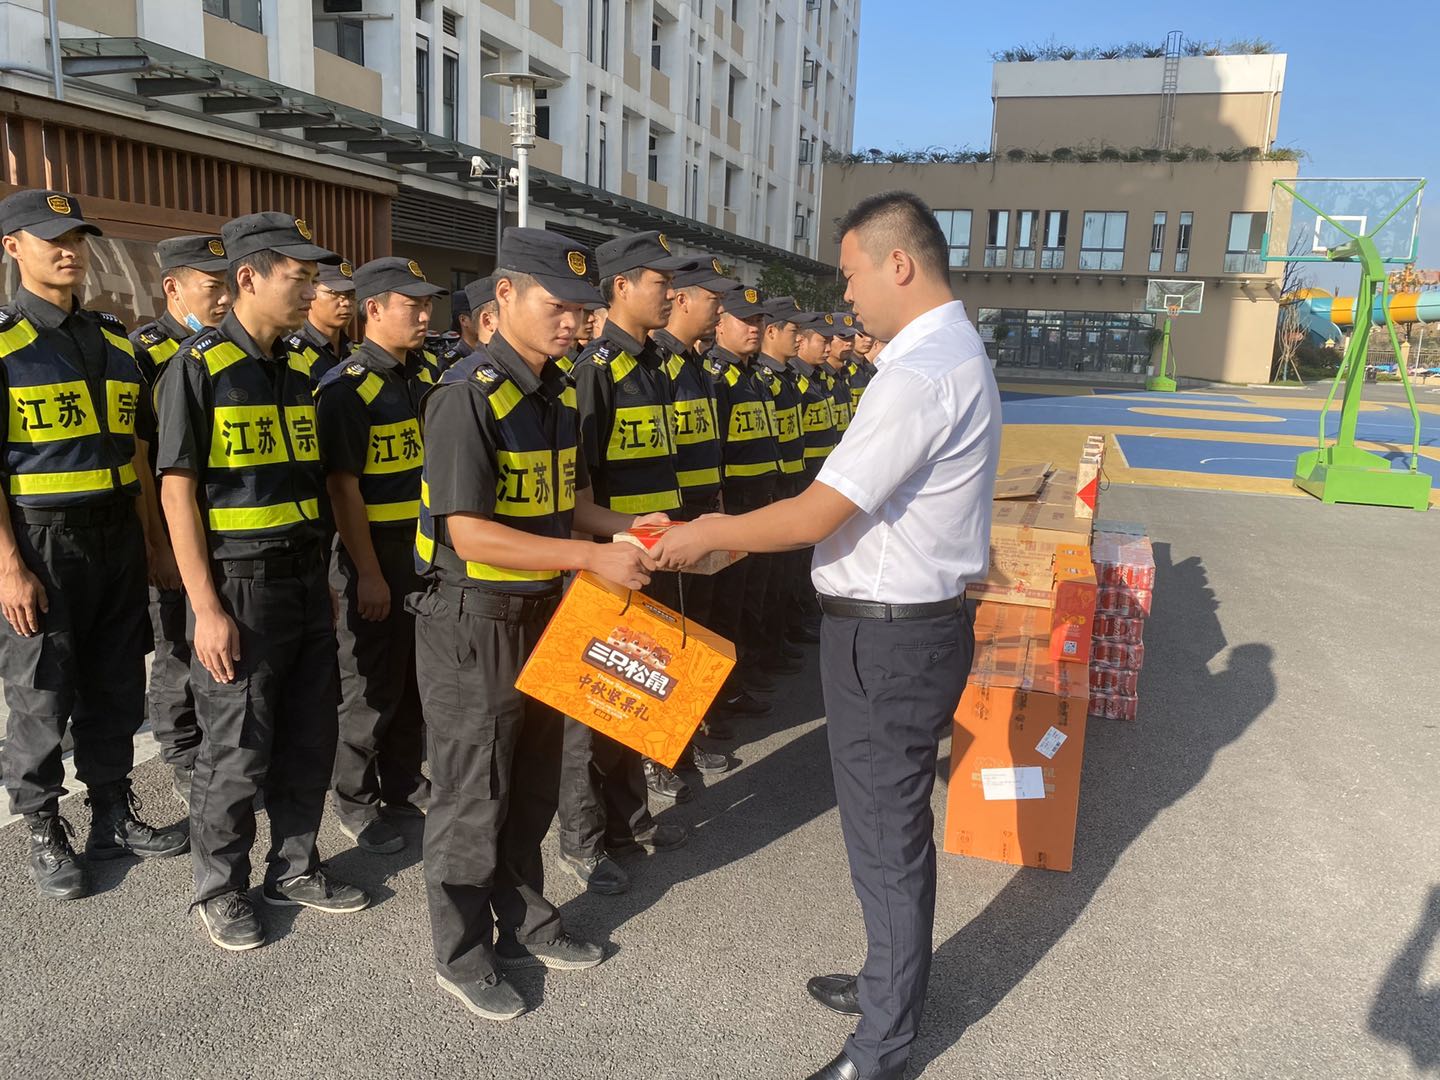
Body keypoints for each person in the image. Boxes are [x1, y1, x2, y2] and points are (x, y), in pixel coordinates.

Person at [651, 191, 1002, 1080]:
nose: (844, 297)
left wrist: (708, 533)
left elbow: (817, 512)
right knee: (888, 834)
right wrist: (732, 542)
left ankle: (882, 1047)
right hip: (903, 632)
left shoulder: (919, 374)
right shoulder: (947, 354)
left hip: (889, 642)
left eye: (849, 275)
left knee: (886, 841)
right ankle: (891, 983)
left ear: (898, 263)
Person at [411, 227, 658, 1021]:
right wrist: (589, 558)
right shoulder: (466, 396)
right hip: (473, 624)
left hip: (542, 612)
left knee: (530, 785)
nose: (575, 323)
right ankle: (461, 953)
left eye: (584, 309)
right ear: (505, 296)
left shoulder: (556, 395)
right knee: (471, 795)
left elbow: (570, 506)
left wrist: (634, 531)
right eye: (559, 307)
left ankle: (523, 923)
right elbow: (469, 534)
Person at [156, 211, 369, 951]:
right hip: (238, 590)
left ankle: (295, 866)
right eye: (299, 278)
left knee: (311, 734)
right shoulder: (199, 367)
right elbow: (177, 493)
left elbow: (316, 485)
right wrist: (205, 608)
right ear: (248, 277)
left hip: (304, 581)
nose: (312, 291)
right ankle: (220, 887)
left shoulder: (304, 369)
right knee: (238, 748)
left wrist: (325, 575)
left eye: (314, 279)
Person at [0, 189, 189, 902]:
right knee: (42, 692)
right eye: (52, 239)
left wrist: (154, 541)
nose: (69, 250)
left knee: (115, 683)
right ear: (13, 247)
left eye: (76, 238)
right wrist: (8, 567)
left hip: (116, 536)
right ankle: (44, 828)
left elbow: (137, 450)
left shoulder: (114, 342)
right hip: (41, 542)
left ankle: (112, 812)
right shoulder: (4, 344)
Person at [560, 229, 692, 890]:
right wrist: (613, 547)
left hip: (654, 562)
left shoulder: (653, 366)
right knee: (594, 708)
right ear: (621, 286)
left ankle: (629, 822)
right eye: (660, 283)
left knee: (639, 695)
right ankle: (583, 841)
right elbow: (578, 493)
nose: (671, 295)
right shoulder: (597, 370)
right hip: (608, 568)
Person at [317, 257, 444, 856]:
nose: (424, 315)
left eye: (427, 305)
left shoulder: (424, 376)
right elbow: (343, 490)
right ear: (373, 309)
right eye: (411, 305)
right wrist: (367, 573)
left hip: (421, 554)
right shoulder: (348, 386)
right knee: (367, 684)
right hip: (374, 555)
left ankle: (402, 782)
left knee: (412, 679)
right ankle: (355, 798)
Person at [131, 234, 232, 809]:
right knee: (175, 644)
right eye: (211, 287)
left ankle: (218, 746)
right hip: (173, 528)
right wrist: (159, 543)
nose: (223, 298)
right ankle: (180, 751)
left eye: (227, 286)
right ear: (173, 287)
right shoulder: (146, 353)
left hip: (219, 529)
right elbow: (144, 459)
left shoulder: (224, 351)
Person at [650, 256, 737, 756]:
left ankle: (689, 728)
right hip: (669, 525)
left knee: (697, 628)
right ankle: (662, 747)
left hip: (702, 517)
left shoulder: (695, 365)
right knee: (665, 636)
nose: (719, 309)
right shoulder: (658, 364)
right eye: (713, 298)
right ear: (683, 299)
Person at [701, 286, 781, 720]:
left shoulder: (751, 375)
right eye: (745, 320)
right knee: (720, 606)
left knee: (745, 599)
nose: (755, 328)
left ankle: (736, 680)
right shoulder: (716, 376)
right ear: (721, 324)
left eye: (758, 320)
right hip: (728, 506)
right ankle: (717, 697)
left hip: (758, 504)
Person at [284, 257, 356, 385]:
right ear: (311, 292)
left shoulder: (356, 352)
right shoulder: (292, 351)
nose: (346, 303)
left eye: (351, 294)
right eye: (334, 293)